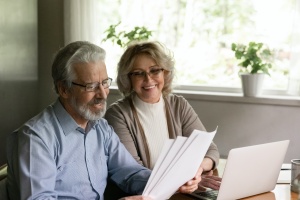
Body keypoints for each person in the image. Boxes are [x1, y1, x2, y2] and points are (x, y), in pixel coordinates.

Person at [5, 41, 200, 200]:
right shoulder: (35, 138)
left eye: (105, 83)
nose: (102, 94)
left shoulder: (100, 128)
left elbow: (130, 172)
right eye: (91, 86)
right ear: (64, 89)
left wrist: (173, 181)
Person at [104, 41, 221, 190]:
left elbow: (210, 150)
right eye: (139, 73)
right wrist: (182, 180)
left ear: (165, 72)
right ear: (128, 78)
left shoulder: (179, 105)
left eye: (154, 70)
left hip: (184, 191)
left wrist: (197, 171)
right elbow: (133, 172)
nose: (148, 79)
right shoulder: (117, 114)